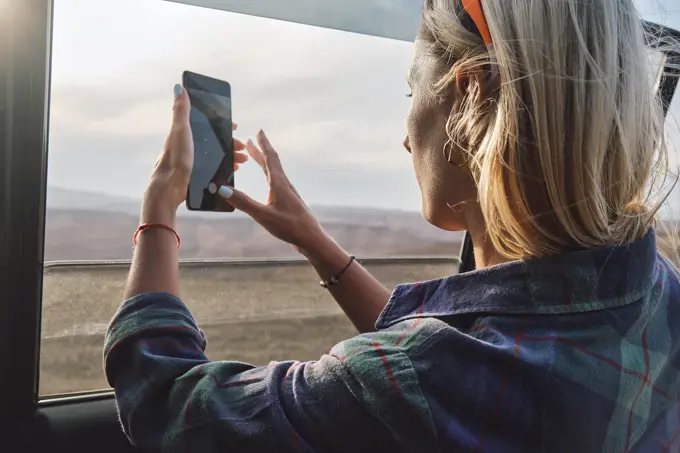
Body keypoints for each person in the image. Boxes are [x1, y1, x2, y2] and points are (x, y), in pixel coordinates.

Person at [104, 0, 680, 452]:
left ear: (469, 95)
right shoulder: (660, 291)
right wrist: (311, 238)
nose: (406, 137)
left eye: (412, 92)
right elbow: (463, 353)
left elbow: (166, 404)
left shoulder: (416, 379)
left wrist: (159, 206)